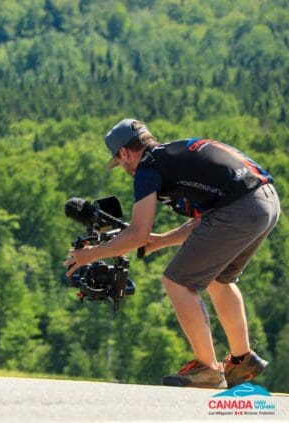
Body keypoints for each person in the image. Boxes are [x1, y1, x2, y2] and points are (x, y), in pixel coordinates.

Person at [63, 119, 280, 389]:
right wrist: (161, 241)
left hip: (240, 209)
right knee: (219, 279)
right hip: (266, 202)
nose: (124, 169)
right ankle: (242, 360)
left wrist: (90, 255)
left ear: (124, 153)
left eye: (120, 163)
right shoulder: (173, 158)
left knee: (177, 282)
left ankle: (208, 369)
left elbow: (138, 233)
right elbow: (203, 221)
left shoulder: (148, 167)